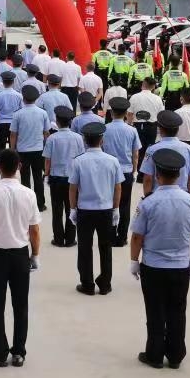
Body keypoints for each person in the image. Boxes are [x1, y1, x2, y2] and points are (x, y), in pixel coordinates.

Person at [129, 149, 190, 369]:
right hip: (180, 266)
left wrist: (134, 260)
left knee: (155, 311)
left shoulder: (148, 203)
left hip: (153, 266)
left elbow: (137, 236)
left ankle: (155, 354)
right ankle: (176, 354)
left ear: (157, 175)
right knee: (177, 311)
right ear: (178, 175)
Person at [0, 149, 40, 368]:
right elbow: (34, 229)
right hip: (20, 254)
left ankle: (0, 353)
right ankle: (19, 352)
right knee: (21, 306)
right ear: (19, 167)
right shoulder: (29, 194)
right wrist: (35, 254)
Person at [70, 122, 123, 296]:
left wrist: (72, 209)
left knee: (84, 248)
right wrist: (116, 208)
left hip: (85, 210)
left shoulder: (78, 161)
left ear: (85, 140)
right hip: (106, 209)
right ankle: (105, 283)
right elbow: (118, 187)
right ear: (102, 140)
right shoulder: (112, 161)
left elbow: (73, 187)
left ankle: (87, 284)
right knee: (106, 248)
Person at [102, 98, 141, 246]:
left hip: (108, 171)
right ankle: (122, 237)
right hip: (126, 171)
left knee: (109, 203)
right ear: (126, 114)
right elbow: (135, 154)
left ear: (111, 112)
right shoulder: (132, 130)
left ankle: (110, 234)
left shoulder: (104, 129)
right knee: (124, 204)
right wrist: (135, 171)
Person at [44, 106, 85, 248]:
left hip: (56, 177)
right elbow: (81, 158)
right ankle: (70, 238)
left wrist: (46, 174)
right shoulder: (78, 138)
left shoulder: (52, 138)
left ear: (57, 121)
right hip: (73, 178)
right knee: (71, 207)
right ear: (70, 122)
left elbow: (48, 160)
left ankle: (58, 238)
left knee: (57, 210)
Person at [9, 85, 50, 211]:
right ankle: (40, 204)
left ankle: (26, 205)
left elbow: (13, 134)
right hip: (38, 149)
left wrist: (12, 149)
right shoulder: (43, 113)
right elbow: (46, 133)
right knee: (38, 177)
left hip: (22, 150)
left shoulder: (18, 114)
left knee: (25, 179)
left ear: (23, 98)